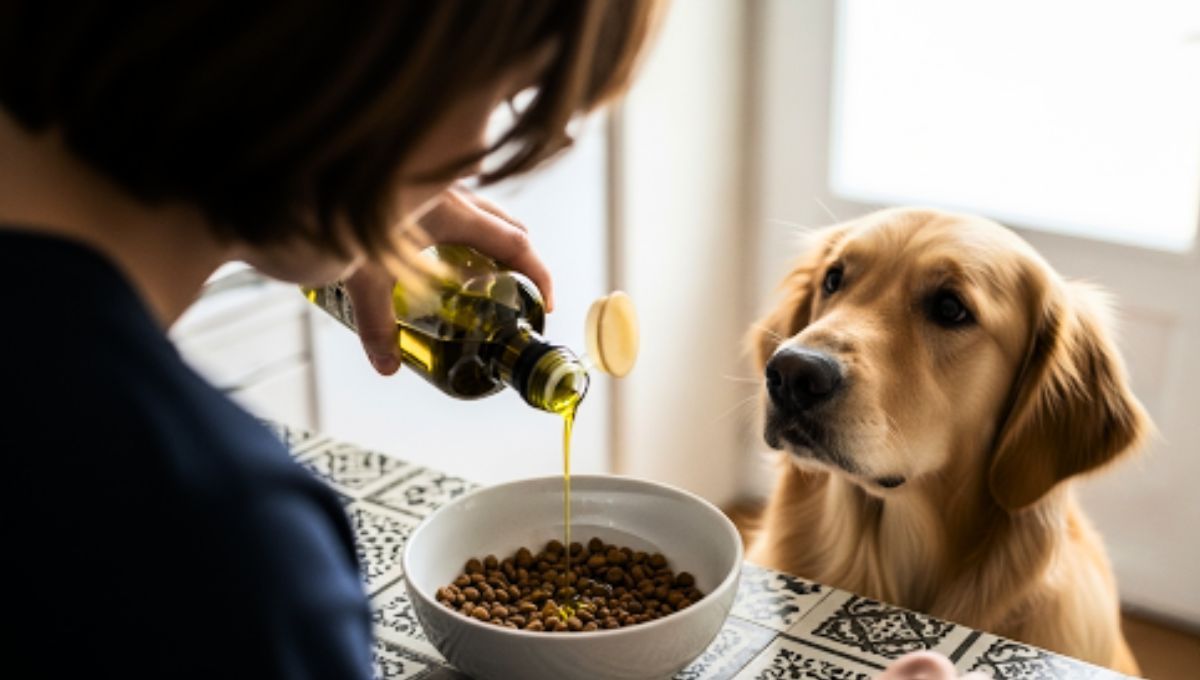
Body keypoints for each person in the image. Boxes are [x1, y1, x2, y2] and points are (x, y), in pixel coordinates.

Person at [0, 3, 978, 678]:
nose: (477, 153)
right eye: (509, 88)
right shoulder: (225, 549)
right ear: (369, 51)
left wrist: (323, 187)